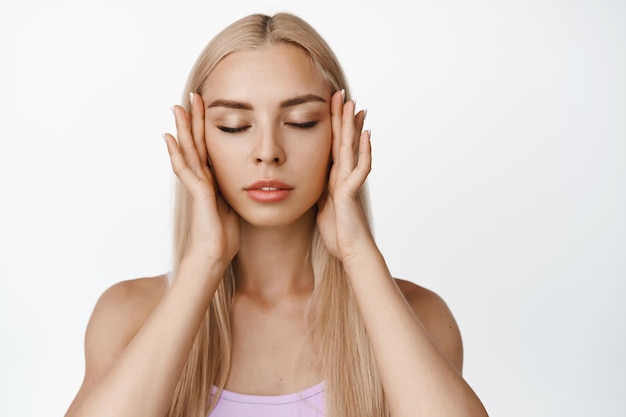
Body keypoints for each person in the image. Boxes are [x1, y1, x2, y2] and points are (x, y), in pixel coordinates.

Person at [65, 12, 488, 417]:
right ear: (197, 140)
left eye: (302, 121)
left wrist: (359, 255)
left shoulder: (420, 316)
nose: (268, 151)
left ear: (342, 134)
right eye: (233, 125)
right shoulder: (127, 316)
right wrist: (203, 263)